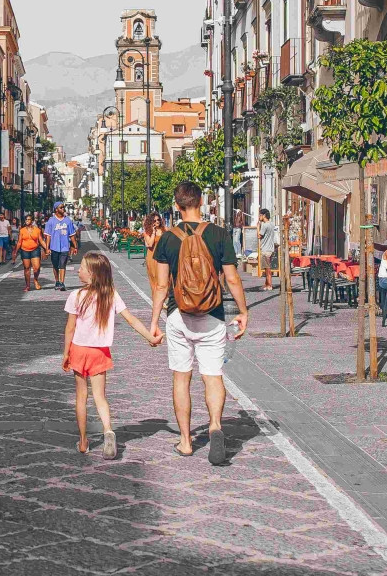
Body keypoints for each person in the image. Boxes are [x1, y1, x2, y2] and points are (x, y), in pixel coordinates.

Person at [150, 182, 250, 465]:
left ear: (177, 205)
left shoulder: (167, 238)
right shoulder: (219, 234)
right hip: (213, 314)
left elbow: (160, 286)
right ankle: (216, 426)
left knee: (182, 377)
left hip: (178, 315)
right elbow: (232, 278)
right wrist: (243, 311)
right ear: (202, 201)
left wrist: (154, 321)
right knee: (213, 374)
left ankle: (185, 441)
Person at [61, 252, 160, 459]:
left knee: (81, 397)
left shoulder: (76, 296)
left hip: (79, 350)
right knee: (100, 396)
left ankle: (83, 441)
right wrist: (150, 337)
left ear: (93, 274)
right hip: (100, 352)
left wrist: (65, 353)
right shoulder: (110, 294)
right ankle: (108, 430)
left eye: (82, 268)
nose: (78, 270)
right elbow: (131, 319)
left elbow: (70, 328)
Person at [43, 203, 79, 291]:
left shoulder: (68, 221)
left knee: (62, 264)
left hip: (64, 247)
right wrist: (47, 248)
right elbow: (48, 236)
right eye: (61, 207)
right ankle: (57, 281)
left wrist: (75, 246)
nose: (63, 209)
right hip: (54, 247)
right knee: (55, 265)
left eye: (63, 207)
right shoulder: (51, 221)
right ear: (56, 209)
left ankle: (62, 283)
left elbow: (72, 235)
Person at [17, 215, 44, 291]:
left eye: (29, 219)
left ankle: (35, 279)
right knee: (27, 268)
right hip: (25, 250)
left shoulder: (37, 230)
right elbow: (19, 242)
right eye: (26, 219)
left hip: (35, 249)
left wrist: (46, 248)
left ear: (32, 221)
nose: (27, 221)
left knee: (37, 268)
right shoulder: (22, 230)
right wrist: (15, 252)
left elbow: (41, 240)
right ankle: (27, 285)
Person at [142, 213, 165, 293]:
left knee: (164, 278)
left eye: (158, 219)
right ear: (151, 222)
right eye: (154, 220)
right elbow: (150, 244)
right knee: (155, 278)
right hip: (152, 257)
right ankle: (157, 299)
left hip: (163, 256)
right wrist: (154, 233)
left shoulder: (165, 230)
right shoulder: (147, 232)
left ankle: (163, 298)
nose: (157, 221)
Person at [257, 208, 279, 291]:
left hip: (266, 249)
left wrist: (258, 227)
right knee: (266, 267)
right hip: (271, 248)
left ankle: (269, 285)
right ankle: (266, 284)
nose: (259, 217)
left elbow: (259, 236)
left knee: (267, 268)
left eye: (260, 215)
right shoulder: (272, 224)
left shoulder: (265, 225)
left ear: (264, 216)